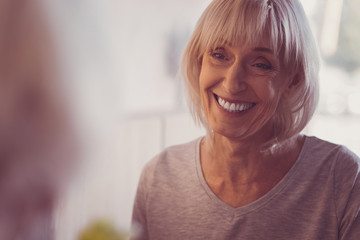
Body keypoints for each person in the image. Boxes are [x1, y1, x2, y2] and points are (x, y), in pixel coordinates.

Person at [131, 0, 360, 239]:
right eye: (219, 55)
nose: (232, 83)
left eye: (260, 64)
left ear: (293, 81)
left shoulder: (343, 180)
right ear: (200, 63)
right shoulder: (159, 177)